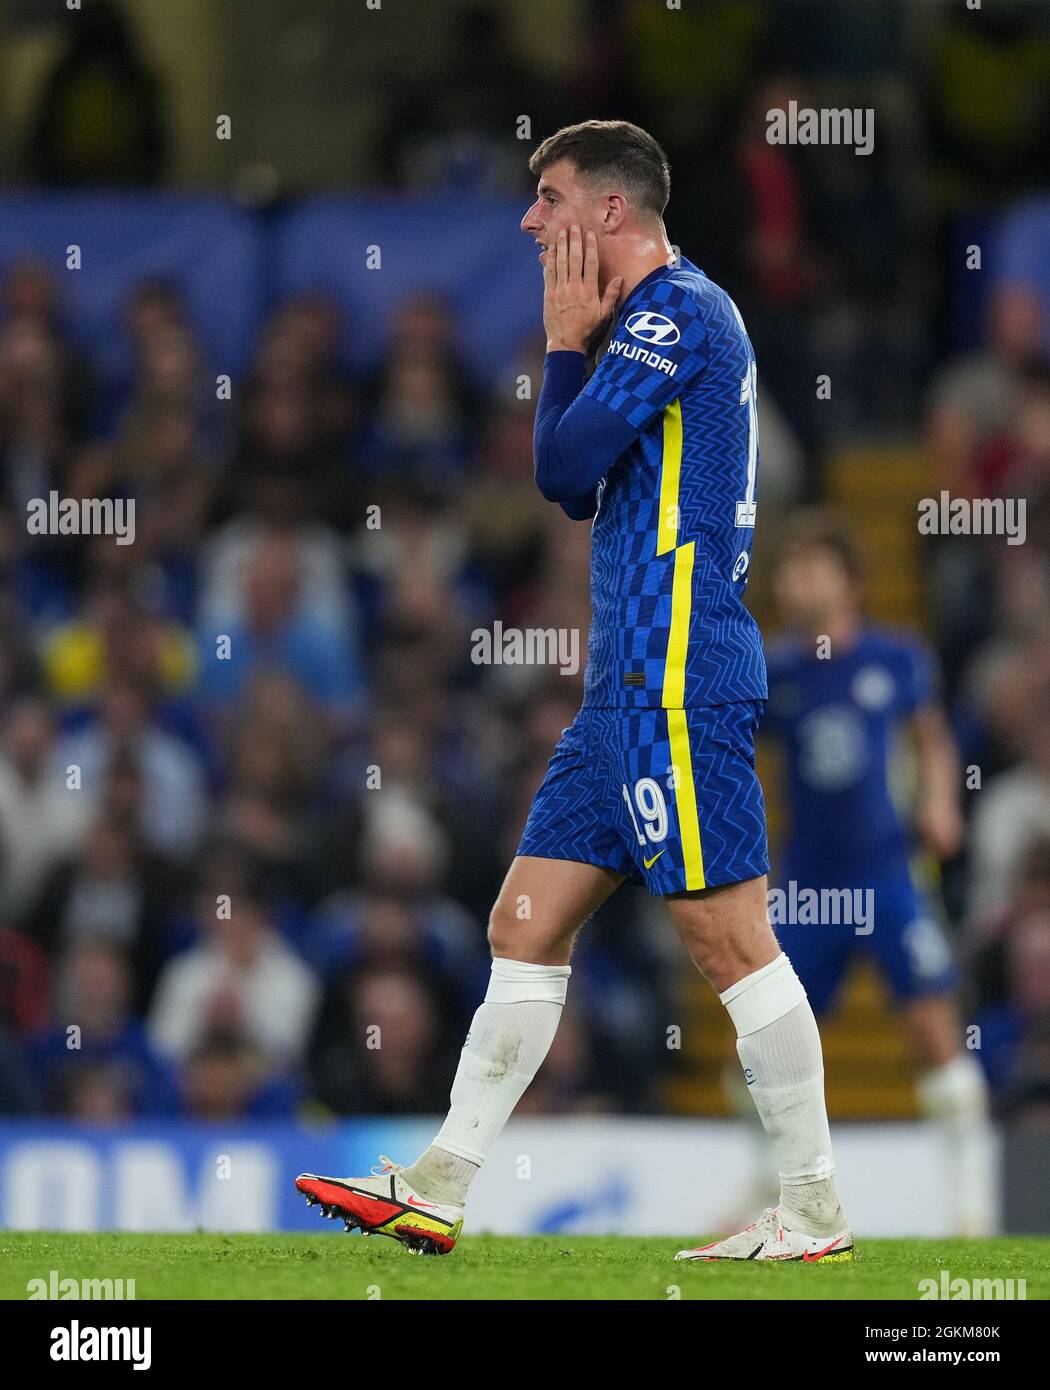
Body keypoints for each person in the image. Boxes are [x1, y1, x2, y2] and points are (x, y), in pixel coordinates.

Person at [295, 120, 853, 1262]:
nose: (529, 221)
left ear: (610, 211)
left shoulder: (679, 312)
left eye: (547, 198)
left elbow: (559, 471)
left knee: (728, 939)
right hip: (621, 692)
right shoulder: (653, 321)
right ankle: (441, 1180)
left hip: (679, 675)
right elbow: (576, 483)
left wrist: (561, 345)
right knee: (522, 922)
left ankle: (814, 1211)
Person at [758, 510, 993, 1235]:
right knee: (771, 1041)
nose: (799, 582)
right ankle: (776, 1193)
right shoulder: (776, 671)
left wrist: (941, 803)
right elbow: (748, 767)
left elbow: (931, 740)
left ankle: (970, 1203)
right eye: (791, 569)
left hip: (887, 874)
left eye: (814, 566)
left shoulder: (894, 658)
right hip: (806, 884)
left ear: (850, 581)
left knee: (932, 1030)